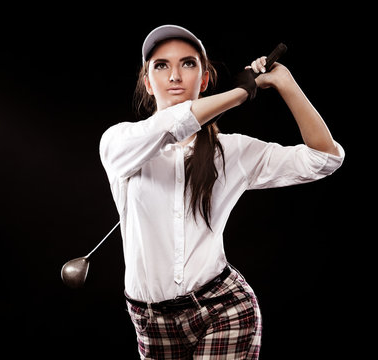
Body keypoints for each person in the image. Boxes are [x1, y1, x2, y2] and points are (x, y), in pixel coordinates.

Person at [99, 25, 344, 359]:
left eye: (187, 64)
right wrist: (241, 94)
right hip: (150, 321)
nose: (174, 76)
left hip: (223, 309)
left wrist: (286, 84)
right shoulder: (119, 142)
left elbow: (323, 159)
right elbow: (173, 124)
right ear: (147, 81)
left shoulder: (230, 152)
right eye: (161, 65)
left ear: (203, 80)